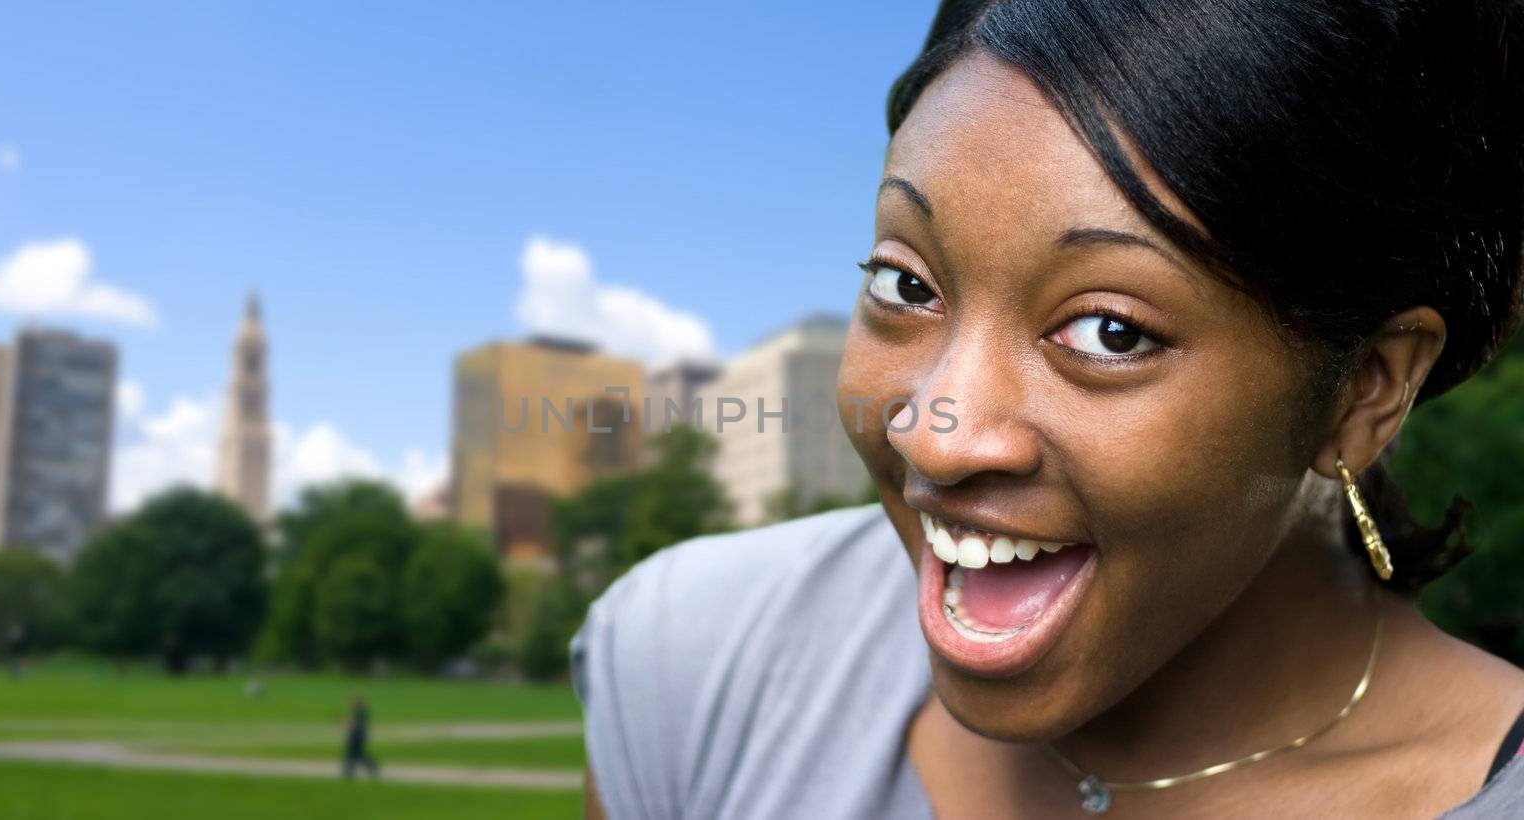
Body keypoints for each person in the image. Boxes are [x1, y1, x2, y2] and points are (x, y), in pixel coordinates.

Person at [571, 1, 1524, 817]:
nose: (936, 436)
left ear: (1367, 386)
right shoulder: (692, 661)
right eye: (906, 285)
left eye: (1110, 331)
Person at [341, 694, 378, 779]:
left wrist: (345, 725)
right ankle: (371, 767)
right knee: (356, 754)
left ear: (357, 702)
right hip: (360, 735)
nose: (350, 702)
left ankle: (349, 772)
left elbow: (355, 723)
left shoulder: (359, 711)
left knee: (352, 754)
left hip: (356, 735)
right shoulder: (360, 710)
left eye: (352, 701)